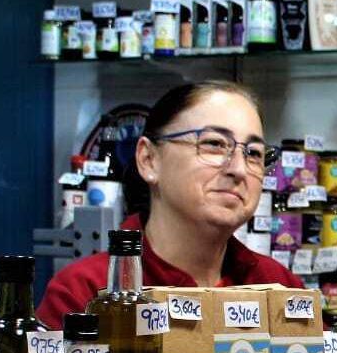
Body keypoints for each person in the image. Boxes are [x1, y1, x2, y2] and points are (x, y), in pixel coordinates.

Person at [39, 81, 302, 328]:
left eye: (254, 154)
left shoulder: (279, 287)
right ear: (149, 159)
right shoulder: (84, 293)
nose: (239, 169)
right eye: (213, 144)